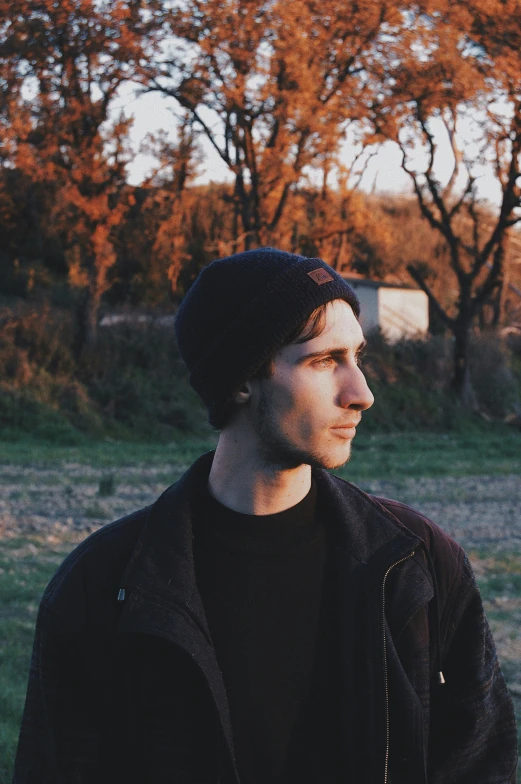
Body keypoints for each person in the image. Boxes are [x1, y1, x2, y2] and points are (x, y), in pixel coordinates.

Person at [14, 248, 517, 784]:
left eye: (358, 357)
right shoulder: (102, 586)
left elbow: (481, 764)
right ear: (240, 379)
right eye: (324, 361)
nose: (362, 393)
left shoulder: (419, 563)